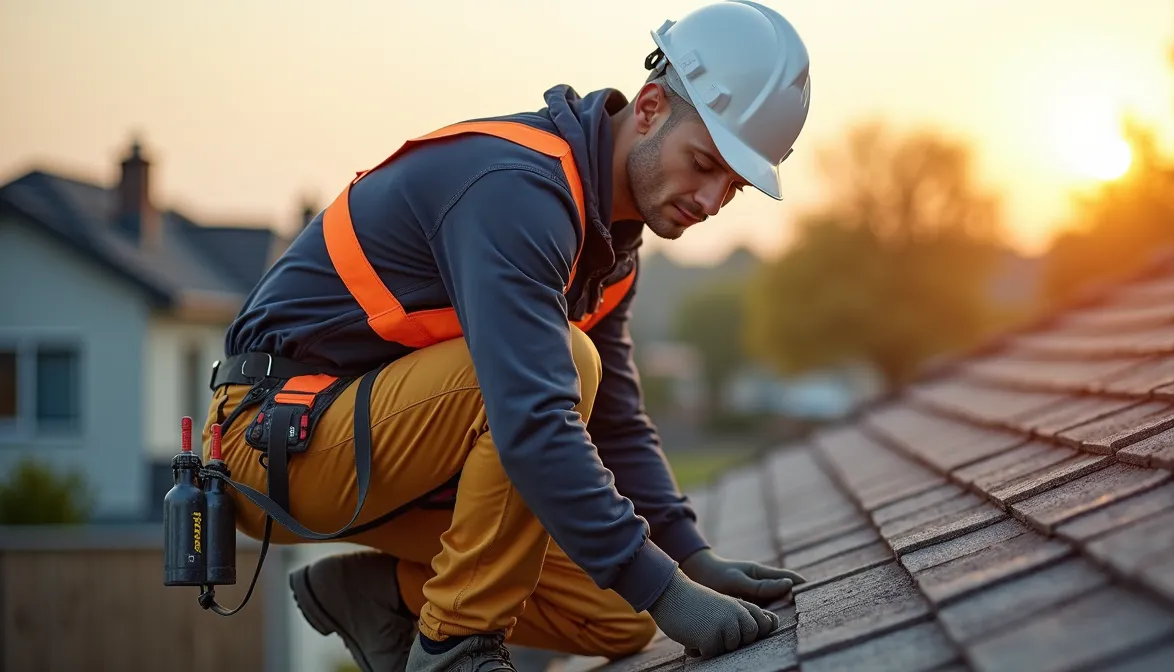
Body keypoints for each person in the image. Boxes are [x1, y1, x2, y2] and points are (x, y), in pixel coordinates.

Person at [201, 2, 813, 670]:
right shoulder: (516, 192)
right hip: (278, 441)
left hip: (400, 454)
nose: (710, 200)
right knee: (563, 366)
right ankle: (454, 647)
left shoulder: (609, 251)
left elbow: (615, 421)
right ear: (649, 108)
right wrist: (670, 592)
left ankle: (381, 596)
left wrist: (688, 556)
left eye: (734, 187)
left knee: (619, 615)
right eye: (703, 162)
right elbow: (532, 416)